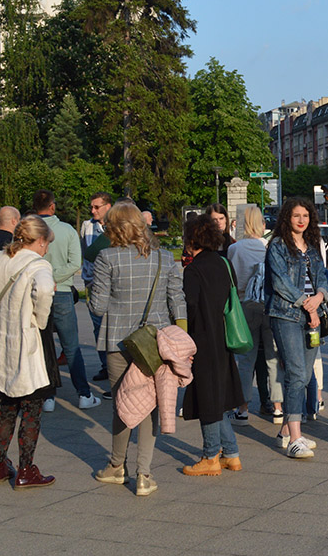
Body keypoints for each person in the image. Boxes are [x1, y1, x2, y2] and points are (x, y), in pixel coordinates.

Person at [91, 202, 187, 496]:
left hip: (118, 341)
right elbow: (177, 300)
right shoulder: (163, 257)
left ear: (115, 228)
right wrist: (181, 339)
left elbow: (97, 306)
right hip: (154, 344)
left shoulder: (106, 258)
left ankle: (116, 466)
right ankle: (144, 474)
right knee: (149, 407)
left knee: (124, 404)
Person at [0, 216, 58, 489]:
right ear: (39, 240)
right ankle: (26, 468)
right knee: (31, 408)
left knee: (6, 407)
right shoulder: (38, 264)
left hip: (3, 340)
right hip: (25, 342)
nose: (46, 249)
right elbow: (46, 292)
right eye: (46, 243)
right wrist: (39, 320)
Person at [181, 216, 246, 476]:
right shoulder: (224, 263)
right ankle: (231, 453)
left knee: (207, 398)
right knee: (218, 398)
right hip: (224, 338)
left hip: (202, 340)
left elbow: (190, 308)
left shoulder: (194, 270)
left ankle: (210, 457)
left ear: (191, 240)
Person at [265, 197, 327, 459]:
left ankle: (287, 432)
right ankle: (295, 438)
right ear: (286, 219)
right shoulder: (277, 246)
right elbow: (280, 284)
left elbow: (323, 276)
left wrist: (320, 298)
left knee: (303, 376)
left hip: (314, 316)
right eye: (296, 216)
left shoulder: (313, 246)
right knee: (295, 372)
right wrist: (307, 305)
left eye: (305, 216)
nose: (301, 220)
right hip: (287, 315)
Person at [32, 189, 101, 412]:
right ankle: (83, 392)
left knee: (44, 347)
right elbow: (75, 264)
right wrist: (53, 277)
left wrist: (41, 277)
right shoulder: (67, 230)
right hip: (60, 290)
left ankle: (48, 395)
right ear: (53, 206)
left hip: (35, 292)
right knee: (71, 346)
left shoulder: (28, 229)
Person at [227, 206, 282, 426]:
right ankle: (278, 407)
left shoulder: (236, 248)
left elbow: (235, 280)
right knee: (273, 357)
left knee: (246, 359)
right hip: (269, 305)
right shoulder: (268, 246)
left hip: (245, 305)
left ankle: (243, 408)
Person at [80, 192, 113, 382]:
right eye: (91, 207)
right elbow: (87, 255)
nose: (93, 210)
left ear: (107, 207)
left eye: (96, 207)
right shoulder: (87, 227)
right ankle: (105, 366)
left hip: (111, 284)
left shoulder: (115, 228)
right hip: (93, 284)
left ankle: (115, 367)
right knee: (97, 328)